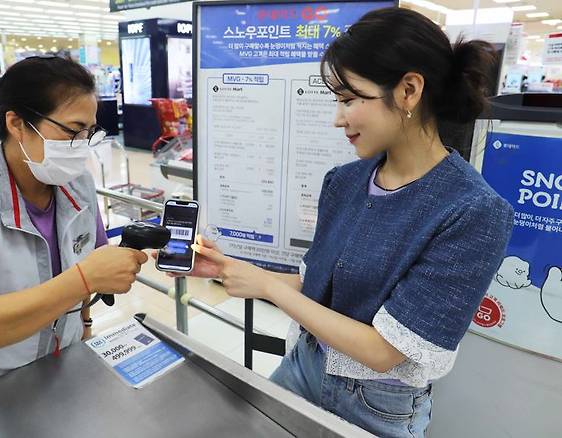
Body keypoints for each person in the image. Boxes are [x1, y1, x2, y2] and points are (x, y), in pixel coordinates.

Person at [180, 8, 513, 437]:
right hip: (302, 366)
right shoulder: (345, 181)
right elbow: (313, 286)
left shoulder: (473, 213)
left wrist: (265, 287)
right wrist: (232, 271)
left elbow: (383, 351)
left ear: (409, 90)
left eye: (349, 100)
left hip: (379, 405)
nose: (338, 119)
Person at [0, 56, 148, 405]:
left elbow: (92, 259)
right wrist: (85, 279)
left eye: (90, 132)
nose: (83, 145)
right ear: (17, 123)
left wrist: (85, 325)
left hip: (58, 369)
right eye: (72, 131)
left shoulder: (78, 185)